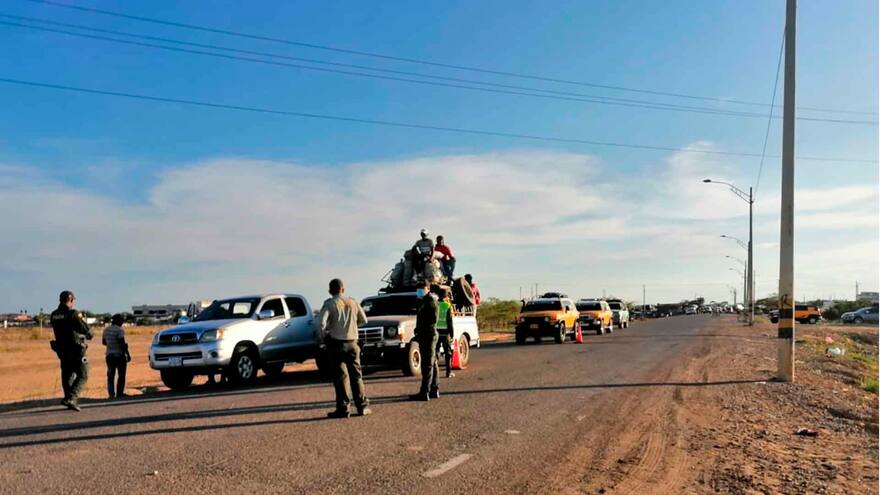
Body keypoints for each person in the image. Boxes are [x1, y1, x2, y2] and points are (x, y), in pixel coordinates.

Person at [318, 278, 371, 418]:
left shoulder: (329, 304)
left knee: (341, 377)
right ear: (343, 289)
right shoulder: (353, 302)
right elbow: (364, 320)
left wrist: (325, 337)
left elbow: (321, 324)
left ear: (330, 291)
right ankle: (362, 406)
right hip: (353, 343)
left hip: (336, 344)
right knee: (356, 375)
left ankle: (343, 408)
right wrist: (353, 326)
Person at [49, 290, 92, 412]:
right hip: (76, 349)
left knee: (67, 375)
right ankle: (72, 398)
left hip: (62, 350)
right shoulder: (73, 313)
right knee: (84, 374)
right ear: (71, 300)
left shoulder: (54, 315)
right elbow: (86, 330)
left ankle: (68, 398)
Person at [410, 280, 440, 401]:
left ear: (428, 289)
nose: (419, 291)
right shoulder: (423, 302)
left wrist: (421, 331)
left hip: (429, 335)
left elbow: (432, 321)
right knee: (433, 363)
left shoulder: (431, 303)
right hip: (425, 335)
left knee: (427, 364)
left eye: (422, 289)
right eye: (418, 290)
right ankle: (434, 389)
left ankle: (425, 392)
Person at [102, 313, 130, 399]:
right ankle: (119, 393)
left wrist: (111, 344)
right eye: (121, 320)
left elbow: (103, 342)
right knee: (121, 375)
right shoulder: (119, 330)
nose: (122, 322)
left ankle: (111, 394)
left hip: (109, 355)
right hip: (119, 355)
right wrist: (127, 353)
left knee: (110, 375)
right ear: (118, 321)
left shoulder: (106, 330)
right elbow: (122, 343)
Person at [436, 288, 456, 378]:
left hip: (436, 332)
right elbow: (450, 321)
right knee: (448, 353)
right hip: (445, 332)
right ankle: (448, 372)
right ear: (446, 296)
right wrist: (452, 334)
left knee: (435, 353)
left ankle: (434, 373)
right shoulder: (447, 306)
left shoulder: (435, 304)